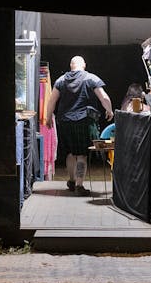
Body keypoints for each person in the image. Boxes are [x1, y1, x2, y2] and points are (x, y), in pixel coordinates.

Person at [43, 55, 113, 195]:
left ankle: (72, 181)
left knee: (70, 153)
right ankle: (79, 186)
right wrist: (109, 110)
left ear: (71, 66)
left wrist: (48, 117)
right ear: (84, 65)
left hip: (65, 122)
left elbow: (51, 100)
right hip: (84, 122)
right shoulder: (91, 78)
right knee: (82, 154)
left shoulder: (61, 80)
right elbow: (103, 96)